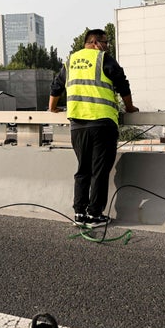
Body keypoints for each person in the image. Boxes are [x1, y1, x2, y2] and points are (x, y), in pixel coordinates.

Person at [48, 29, 138, 228]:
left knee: (83, 169)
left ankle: (79, 213)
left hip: (77, 126)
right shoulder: (104, 59)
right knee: (99, 171)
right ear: (96, 42)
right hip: (102, 124)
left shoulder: (70, 61)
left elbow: (56, 86)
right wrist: (130, 108)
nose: (107, 46)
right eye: (105, 42)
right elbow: (123, 84)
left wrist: (53, 108)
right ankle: (95, 215)